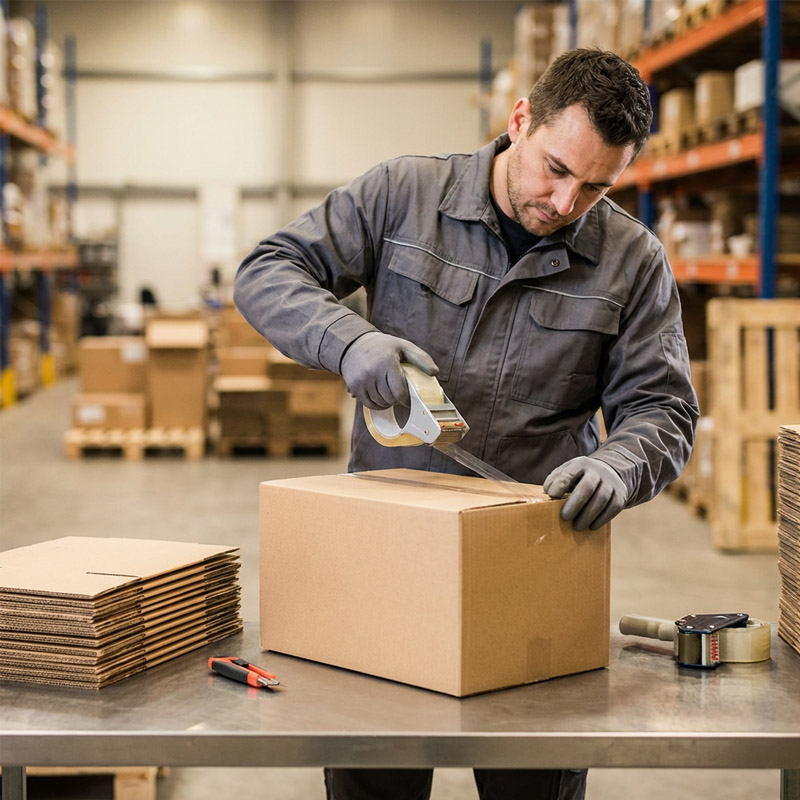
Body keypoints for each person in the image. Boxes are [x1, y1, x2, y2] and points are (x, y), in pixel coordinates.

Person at [235, 47, 698, 800]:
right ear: (520, 120)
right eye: (555, 168)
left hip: (533, 558)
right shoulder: (404, 194)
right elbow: (268, 269)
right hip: (387, 552)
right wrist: (346, 339)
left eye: (596, 186)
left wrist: (619, 464)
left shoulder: (631, 260)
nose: (566, 201)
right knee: (375, 781)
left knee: (531, 787)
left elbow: (664, 406)